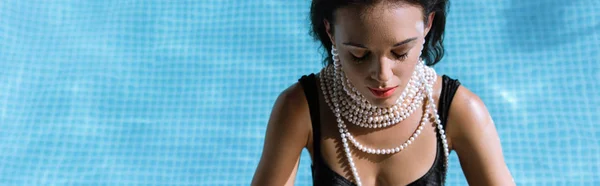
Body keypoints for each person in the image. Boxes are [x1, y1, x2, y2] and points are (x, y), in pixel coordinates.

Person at [252, 0, 515, 185]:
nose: (382, 74)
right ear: (330, 30)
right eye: (359, 55)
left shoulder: (459, 110)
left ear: (427, 24)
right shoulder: (301, 109)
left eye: (400, 53)